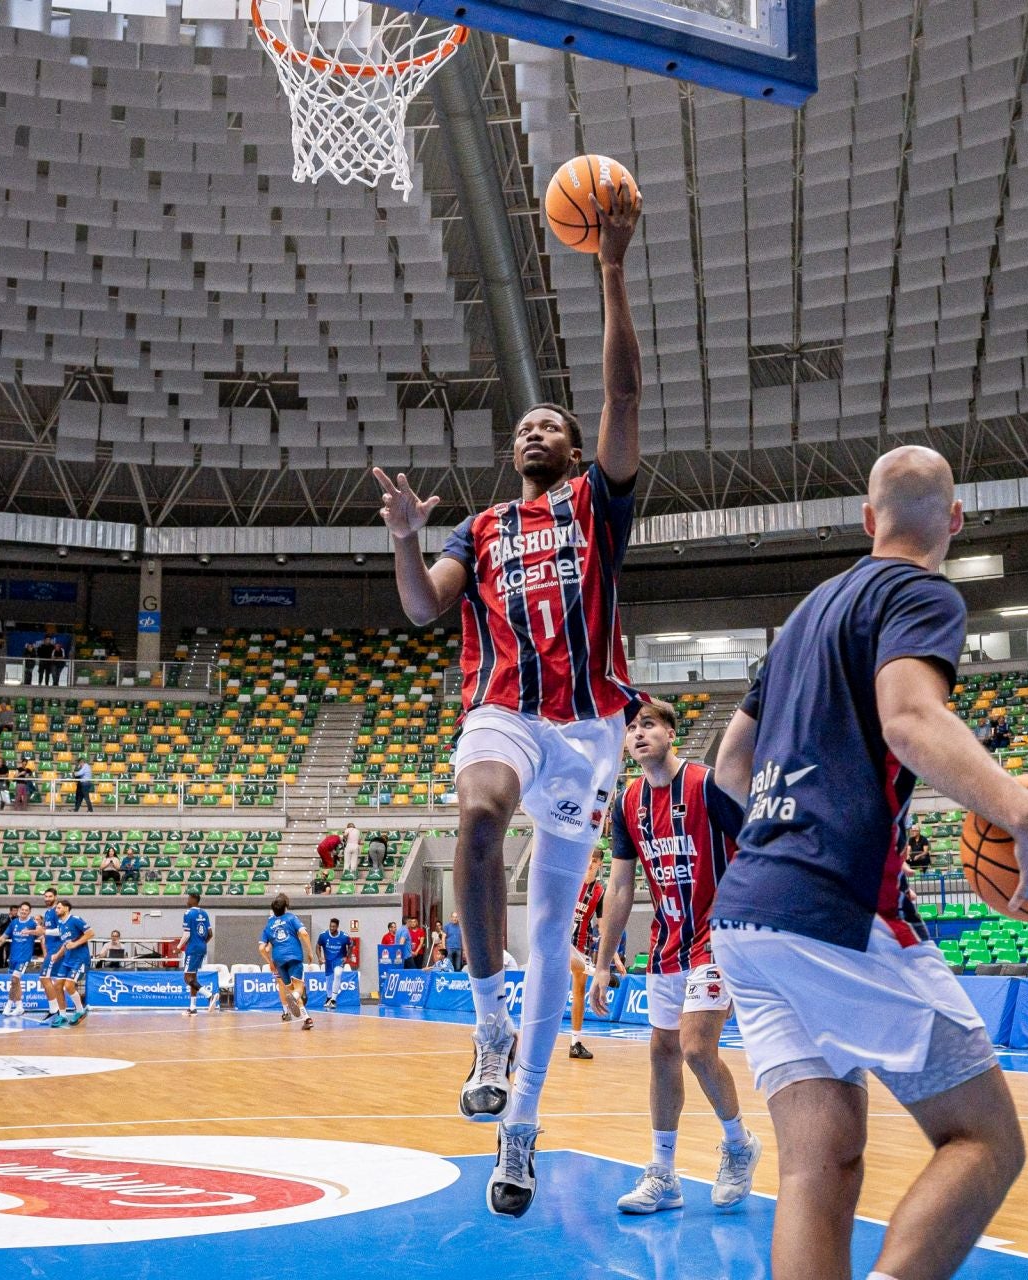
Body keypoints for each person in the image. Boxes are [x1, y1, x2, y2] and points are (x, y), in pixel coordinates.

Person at [707, 444, 1028, 1280]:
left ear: (868, 518)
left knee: (819, 1163)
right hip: (834, 906)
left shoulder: (808, 613)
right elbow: (910, 719)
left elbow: (729, 768)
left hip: (746, 916)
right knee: (985, 1141)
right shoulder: (920, 592)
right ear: (954, 520)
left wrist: (779, 841)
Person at [373, 173, 642, 1219]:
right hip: (504, 712)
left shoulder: (596, 505)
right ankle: (485, 1019)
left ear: (572, 450)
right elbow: (420, 609)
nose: (534, 430)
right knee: (478, 816)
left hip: (589, 728)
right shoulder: (478, 529)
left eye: (550, 424)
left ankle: (520, 1127)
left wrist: (610, 269)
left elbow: (623, 400)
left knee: (548, 943)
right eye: (524, 425)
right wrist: (406, 538)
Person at [594, 697, 759, 1213]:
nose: (638, 733)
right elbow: (621, 887)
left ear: (671, 734)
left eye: (648, 724)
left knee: (695, 1047)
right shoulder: (627, 803)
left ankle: (738, 1144)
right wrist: (602, 961)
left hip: (719, 935)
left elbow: (755, 847)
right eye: (631, 729)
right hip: (667, 941)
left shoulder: (709, 785)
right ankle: (664, 1174)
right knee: (662, 1052)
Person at [566, 848, 606, 1060]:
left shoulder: (600, 891)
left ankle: (575, 1043)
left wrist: (613, 958)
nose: (590, 863)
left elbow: (603, 928)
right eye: (588, 859)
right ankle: (592, 969)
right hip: (561, 940)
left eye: (594, 860)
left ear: (600, 864)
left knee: (579, 992)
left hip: (581, 944)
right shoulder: (573, 880)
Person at [259, 894, 314, 1031]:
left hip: (278, 960)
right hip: (293, 956)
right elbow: (304, 934)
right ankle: (293, 999)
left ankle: (306, 1019)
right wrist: (310, 952)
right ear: (286, 907)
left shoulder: (269, 924)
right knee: (298, 989)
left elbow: (262, 948)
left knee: (290, 990)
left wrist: (269, 962)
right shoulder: (291, 917)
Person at [46, 899, 93, 1027]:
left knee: (69, 986)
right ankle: (62, 1015)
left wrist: (75, 944)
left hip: (80, 959)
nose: (56, 910)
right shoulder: (61, 924)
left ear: (66, 908)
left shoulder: (75, 919)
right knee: (57, 985)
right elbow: (66, 944)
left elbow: (90, 933)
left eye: (59, 908)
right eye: (56, 908)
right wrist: (57, 955)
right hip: (67, 959)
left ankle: (80, 1011)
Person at [1, 901, 41, 1017]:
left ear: (29, 912)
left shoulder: (32, 922)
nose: (24, 911)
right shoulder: (14, 923)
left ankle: (9, 1005)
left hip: (24, 958)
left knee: (15, 980)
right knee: (15, 982)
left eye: (26, 910)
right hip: (13, 957)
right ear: (19, 910)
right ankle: (19, 1007)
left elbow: (41, 932)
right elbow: (3, 937)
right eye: (22, 909)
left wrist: (30, 931)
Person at [36, 887, 67, 1024]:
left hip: (57, 948)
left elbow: (60, 930)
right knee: (51, 979)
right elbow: (46, 932)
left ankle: (56, 1009)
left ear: (55, 897)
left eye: (50, 896)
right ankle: (56, 1009)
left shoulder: (56, 911)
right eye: (46, 896)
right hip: (51, 949)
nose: (47, 899)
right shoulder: (47, 912)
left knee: (44, 977)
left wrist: (45, 931)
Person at [179, 891, 213, 1014]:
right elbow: (210, 934)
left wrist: (179, 946)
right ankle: (193, 1007)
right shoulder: (204, 913)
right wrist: (202, 943)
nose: (187, 901)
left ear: (193, 899)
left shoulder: (188, 913)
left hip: (192, 948)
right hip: (202, 947)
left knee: (187, 978)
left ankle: (209, 995)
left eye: (188, 898)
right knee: (193, 978)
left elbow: (187, 934)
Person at [316, 917, 351, 1010]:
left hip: (339, 960)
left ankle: (334, 1000)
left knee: (338, 974)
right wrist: (319, 957)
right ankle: (328, 998)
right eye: (330, 926)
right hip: (328, 961)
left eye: (334, 926)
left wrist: (347, 957)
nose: (332, 928)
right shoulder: (323, 935)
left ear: (337, 927)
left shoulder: (344, 936)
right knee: (329, 980)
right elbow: (318, 946)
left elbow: (351, 945)